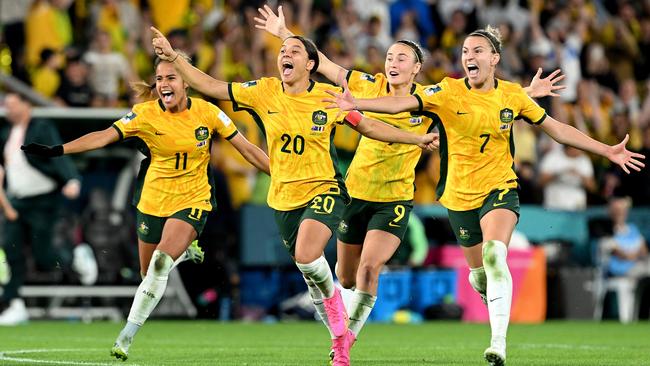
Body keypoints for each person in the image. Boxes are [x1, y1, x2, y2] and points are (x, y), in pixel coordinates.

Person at [254, 5, 566, 364]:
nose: (393, 62)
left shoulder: (430, 99)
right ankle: (343, 323)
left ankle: (344, 343)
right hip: (354, 194)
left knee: (372, 268)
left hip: (395, 199)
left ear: (416, 67)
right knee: (348, 277)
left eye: (402, 58)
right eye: (389, 56)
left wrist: (525, 94)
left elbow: (482, 101)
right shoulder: (364, 85)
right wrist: (283, 33)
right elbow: (320, 62)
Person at [325, 25, 645, 366]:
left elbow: (557, 129)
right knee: (479, 273)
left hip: (499, 188)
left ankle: (498, 344)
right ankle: (484, 285)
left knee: (495, 255)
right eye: (464, 51)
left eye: (477, 51)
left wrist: (605, 150)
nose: (468, 57)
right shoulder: (446, 91)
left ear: (494, 58)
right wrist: (356, 101)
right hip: (460, 197)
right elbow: (400, 103)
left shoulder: (511, 96)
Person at [150, 26, 437, 366]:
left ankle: (343, 336)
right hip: (286, 195)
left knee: (338, 260)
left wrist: (415, 140)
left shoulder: (331, 98)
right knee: (333, 275)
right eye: (282, 50)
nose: (285, 54)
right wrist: (174, 59)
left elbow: (369, 126)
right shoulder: (264, 91)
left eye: (294, 51)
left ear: (310, 64)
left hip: (331, 189)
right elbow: (211, 86)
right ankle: (335, 320)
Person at [21, 53, 271, 360]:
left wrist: (283, 176)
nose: (164, 84)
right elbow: (103, 137)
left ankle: (125, 338)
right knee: (147, 273)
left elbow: (246, 148)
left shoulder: (208, 113)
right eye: (160, 78)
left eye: (171, 78)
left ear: (186, 83)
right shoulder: (145, 114)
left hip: (193, 199)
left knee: (160, 264)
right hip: (152, 201)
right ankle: (185, 252)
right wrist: (59, 150)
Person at [0, 92, 91, 326]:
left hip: (43, 201)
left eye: (11, 104)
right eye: (5, 105)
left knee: (44, 254)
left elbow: (56, 152)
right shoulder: (6, 133)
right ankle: (14, 303)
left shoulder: (41, 127)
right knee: (11, 250)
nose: (7, 108)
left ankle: (75, 257)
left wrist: (72, 179)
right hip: (17, 201)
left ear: (26, 104)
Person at [599, 195, 650, 323]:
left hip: (639, 268)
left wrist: (633, 254)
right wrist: (634, 253)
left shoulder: (632, 229)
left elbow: (644, 250)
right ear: (610, 211)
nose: (620, 213)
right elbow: (621, 254)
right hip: (619, 271)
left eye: (622, 210)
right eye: (616, 210)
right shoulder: (605, 230)